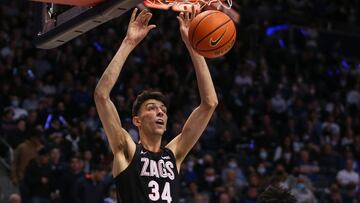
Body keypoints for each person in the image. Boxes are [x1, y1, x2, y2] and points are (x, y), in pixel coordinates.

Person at [94, 7, 218, 203]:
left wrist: (194, 48)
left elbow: (210, 103)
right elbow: (101, 96)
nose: (160, 112)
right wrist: (129, 42)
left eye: (163, 110)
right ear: (137, 120)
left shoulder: (174, 154)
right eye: (152, 108)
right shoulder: (127, 150)